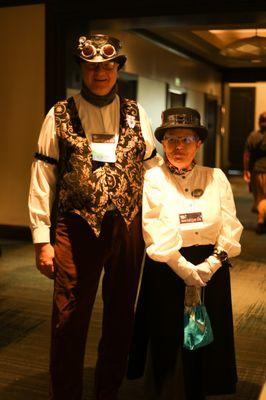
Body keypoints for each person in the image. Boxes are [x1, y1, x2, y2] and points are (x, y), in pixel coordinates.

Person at [28, 33, 156, 400]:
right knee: (69, 317)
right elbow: (42, 177)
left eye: (107, 66)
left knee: (120, 316)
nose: (100, 72)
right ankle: (65, 393)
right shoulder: (59, 114)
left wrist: (164, 221)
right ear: (82, 69)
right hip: (76, 227)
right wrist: (41, 239)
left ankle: (107, 391)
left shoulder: (137, 112)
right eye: (92, 66)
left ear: (118, 68)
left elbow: (152, 169)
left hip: (129, 227)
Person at [127, 107, 243, 400]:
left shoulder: (216, 177)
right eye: (171, 139)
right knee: (169, 336)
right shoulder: (154, 178)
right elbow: (154, 227)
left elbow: (230, 225)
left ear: (199, 143)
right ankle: (167, 389)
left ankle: (199, 388)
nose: (179, 146)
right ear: (163, 143)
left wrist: (211, 263)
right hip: (168, 266)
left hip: (210, 268)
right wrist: (186, 270)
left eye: (186, 139)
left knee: (201, 336)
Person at [243, 112, 266, 234]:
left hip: (257, 171)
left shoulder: (253, 136)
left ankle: (261, 221)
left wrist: (246, 170)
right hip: (259, 170)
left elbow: (247, 156)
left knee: (260, 197)